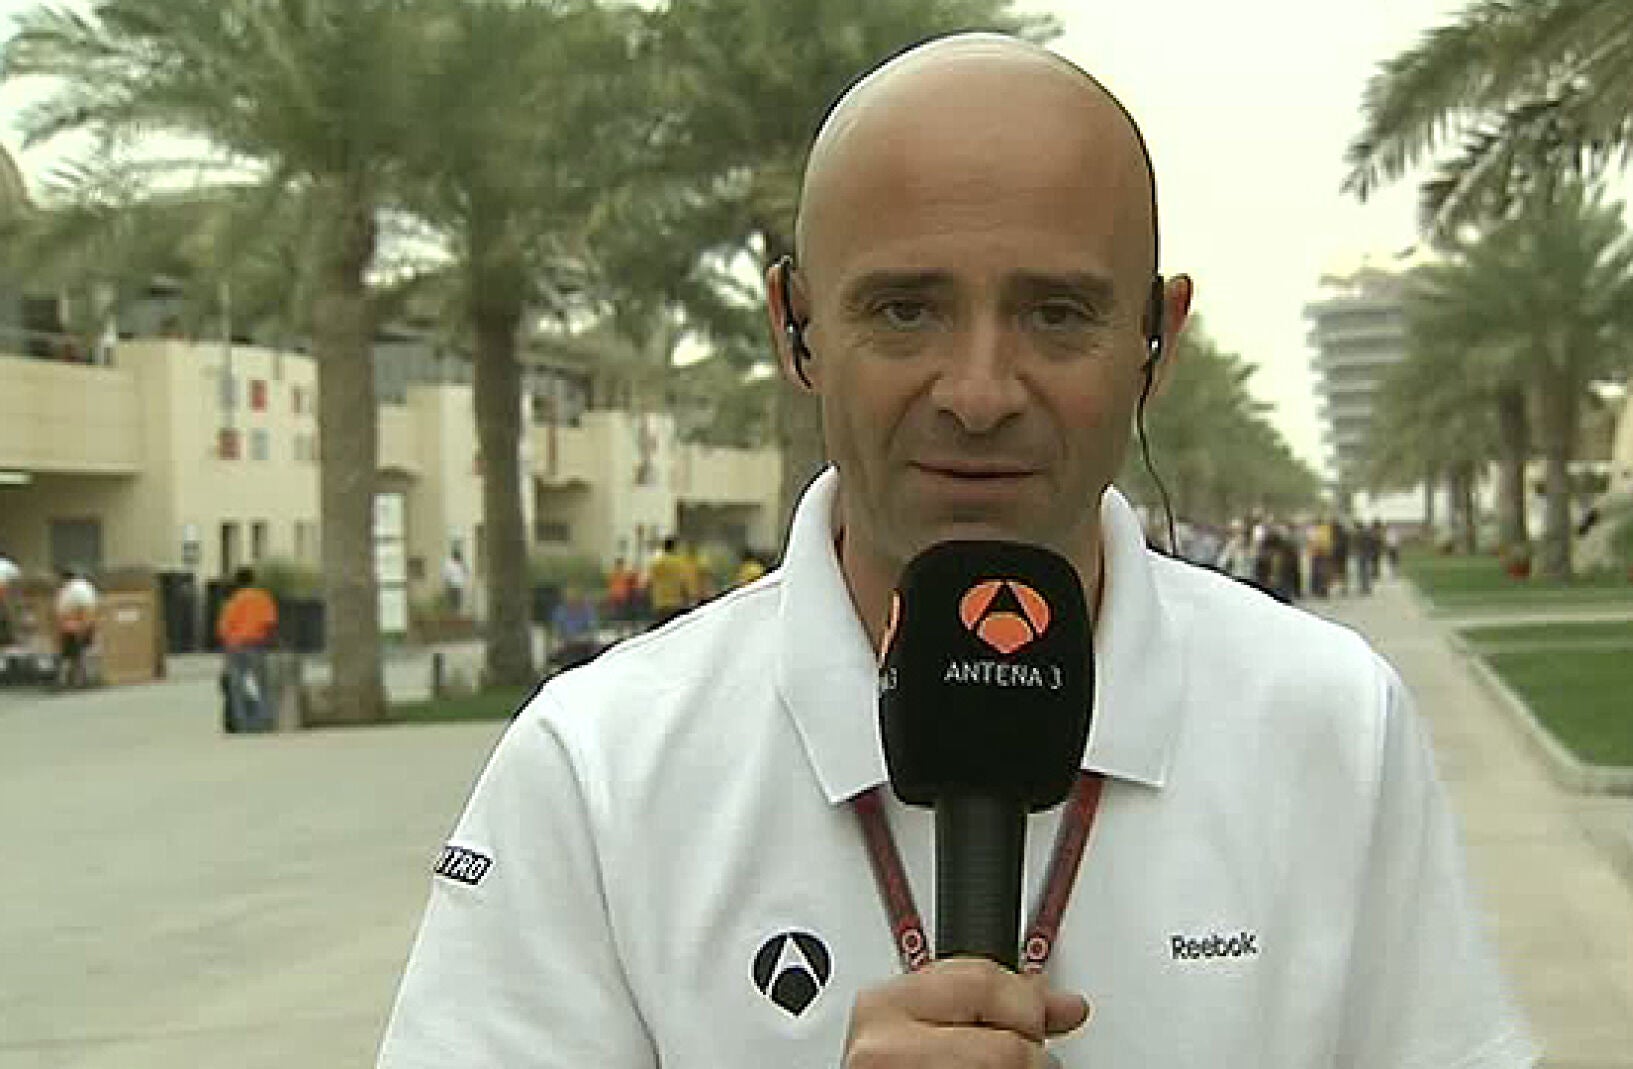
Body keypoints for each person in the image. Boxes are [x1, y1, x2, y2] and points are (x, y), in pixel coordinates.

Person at [377, 34, 1535, 1069]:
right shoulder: (595, 770)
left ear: (1156, 340)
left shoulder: (1333, 724)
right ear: (795, 329)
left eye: (1057, 314)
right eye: (903, 310)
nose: (979, 393)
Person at [217, 568, 280, 731]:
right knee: (262, 685)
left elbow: (224, 628)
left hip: (235, 646)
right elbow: (270, 623)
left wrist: (228, 646)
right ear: (254, 580)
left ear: (237, 582)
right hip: (257, 644)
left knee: (237, 686)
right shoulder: (263, 598)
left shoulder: (233, 600)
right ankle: (264, 721)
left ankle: (241, 723)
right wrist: (272, 642)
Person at [53, 568, 99, 689]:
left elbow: (65, 610)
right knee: (81, 653)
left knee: (69, 655)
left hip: (73, 626)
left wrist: (77, 625)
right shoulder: (85, 586)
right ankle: (81, 680)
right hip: (84, 624)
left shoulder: (71, 589)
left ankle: (66, 681)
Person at [644, 536, 703, 628]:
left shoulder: (657, 563)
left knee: (661, 629)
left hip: (661, 602)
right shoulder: (679, 563)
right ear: (674, 548)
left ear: (664, 548)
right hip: (676, 602)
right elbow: (684, 581)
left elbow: (649, 580)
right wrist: (690, 596)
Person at [547, 585, 601, 673]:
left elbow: (592, 629)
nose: (573, 600)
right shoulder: (560, 611)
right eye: (570, 597)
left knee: (597, 650)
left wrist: (584, 637)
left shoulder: (587, 610)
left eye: (576, 597)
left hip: (584, 643)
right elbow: (557, 630)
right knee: (562, 653)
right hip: (567, 643)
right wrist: (563, 638)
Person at [441, 548, 469, 617]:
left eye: (459, 557)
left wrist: (464, 580)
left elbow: (466, 572)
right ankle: (452, 615)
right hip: (452, 585)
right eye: (457, 557)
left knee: (458, 602)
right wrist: (446, 583)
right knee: (452, 602)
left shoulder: (462, 564)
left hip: (459, 586)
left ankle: (457, 615)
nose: (458, 559)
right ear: (454, 557)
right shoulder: (448, 564)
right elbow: (445, 574)